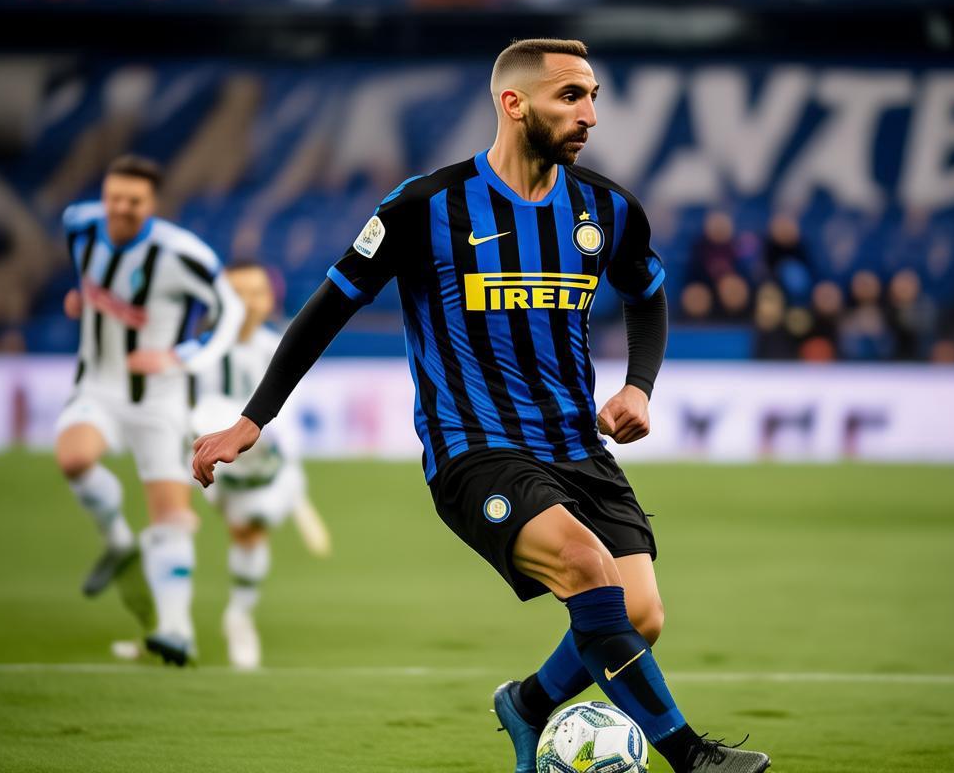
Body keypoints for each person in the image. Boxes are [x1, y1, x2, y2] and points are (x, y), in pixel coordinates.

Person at [192, 39, 771, 772]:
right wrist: (253, 419)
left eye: (594, 97)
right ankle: (690, 756)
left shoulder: (607, 208)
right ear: (514, 103)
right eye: (571, 96)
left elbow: (647, 294)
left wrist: (638, 385)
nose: (590, 115)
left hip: (575, 445)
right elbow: (327, 308)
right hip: (474, 447)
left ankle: (526, 704)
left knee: (640, 615)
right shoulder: (424, 206)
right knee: (586, 567)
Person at [56, 154, 244, 666]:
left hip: (159, 399)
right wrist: (81, 300)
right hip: (97, 387)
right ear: (104, 195)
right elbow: (87, 282)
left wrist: (181, 355)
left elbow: (230, 310)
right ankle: (119, 542)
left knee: (172, 516)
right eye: (114, 197)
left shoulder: (180, 253)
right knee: (74, 458)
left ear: (152, 204)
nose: (121, 208)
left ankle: (177, 630)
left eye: (134, 201)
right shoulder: (80, 226)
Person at [192, 261, 332, 670]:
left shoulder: (278, 350)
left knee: (249, 531)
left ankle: (239, 616)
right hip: (201, 458)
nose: (248, 303)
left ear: (270, 300)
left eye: (256, 293)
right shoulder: (195, 354)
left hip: (255, 465)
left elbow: (288, 421)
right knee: (174, 528)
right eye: (237, 294)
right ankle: (167, 623)